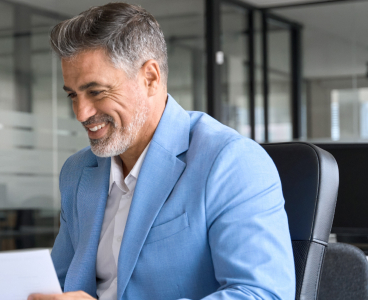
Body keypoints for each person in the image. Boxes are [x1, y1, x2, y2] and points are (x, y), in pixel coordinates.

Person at [29, 3, 295, 300]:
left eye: (96, 92)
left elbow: (263, 293)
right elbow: (60, 283)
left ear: (150, 78)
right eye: (72, 95)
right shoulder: (77, 171)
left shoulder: (231, 162)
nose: (81, 113)